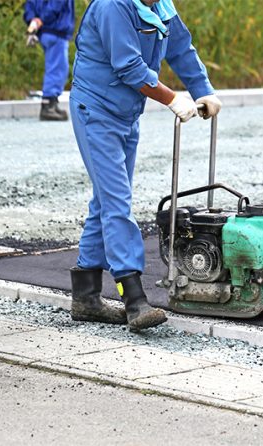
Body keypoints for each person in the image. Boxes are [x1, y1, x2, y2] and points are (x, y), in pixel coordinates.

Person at [69, 0, 222, 331]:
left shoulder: (159, 4)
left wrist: (203, 90)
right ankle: (134, 300)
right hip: (95, 111)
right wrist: (172, 98)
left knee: (105, 201)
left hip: (126, 115)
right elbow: (129, 67)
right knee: (116, 202)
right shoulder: (112, 6)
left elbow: (180, 46)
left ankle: (86, 297)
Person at [24, 0, 75, 121]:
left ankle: (53, 103)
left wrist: (33, 20)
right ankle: (49, 105)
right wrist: (43, 19)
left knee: (53, 66)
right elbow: (57, 4)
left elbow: (30, 4)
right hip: (55, 29)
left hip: (42, 31)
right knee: (57, 68)